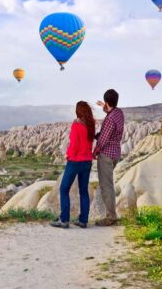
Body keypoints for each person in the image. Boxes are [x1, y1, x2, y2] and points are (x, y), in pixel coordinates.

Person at [50, 101, 96, 229]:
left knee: (64, 189)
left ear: (78, 111)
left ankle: (64, 220)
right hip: (87, 161)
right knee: (83, 191)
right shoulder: (91, 124)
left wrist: (68, 155)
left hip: (75, 161)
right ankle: (83, 220)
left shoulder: (76, 125)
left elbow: (74, 143)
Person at [94, 89, 124, 226]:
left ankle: (111, 217)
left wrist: (95, 151)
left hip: (106, 155)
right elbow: (111, 112)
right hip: (116, 153)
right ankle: (112, 215)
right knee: (109, 184)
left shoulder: (109, 120)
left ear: (107, 102)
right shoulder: (119, 113)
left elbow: (103, 138)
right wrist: (104, 106)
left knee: (106, 186)